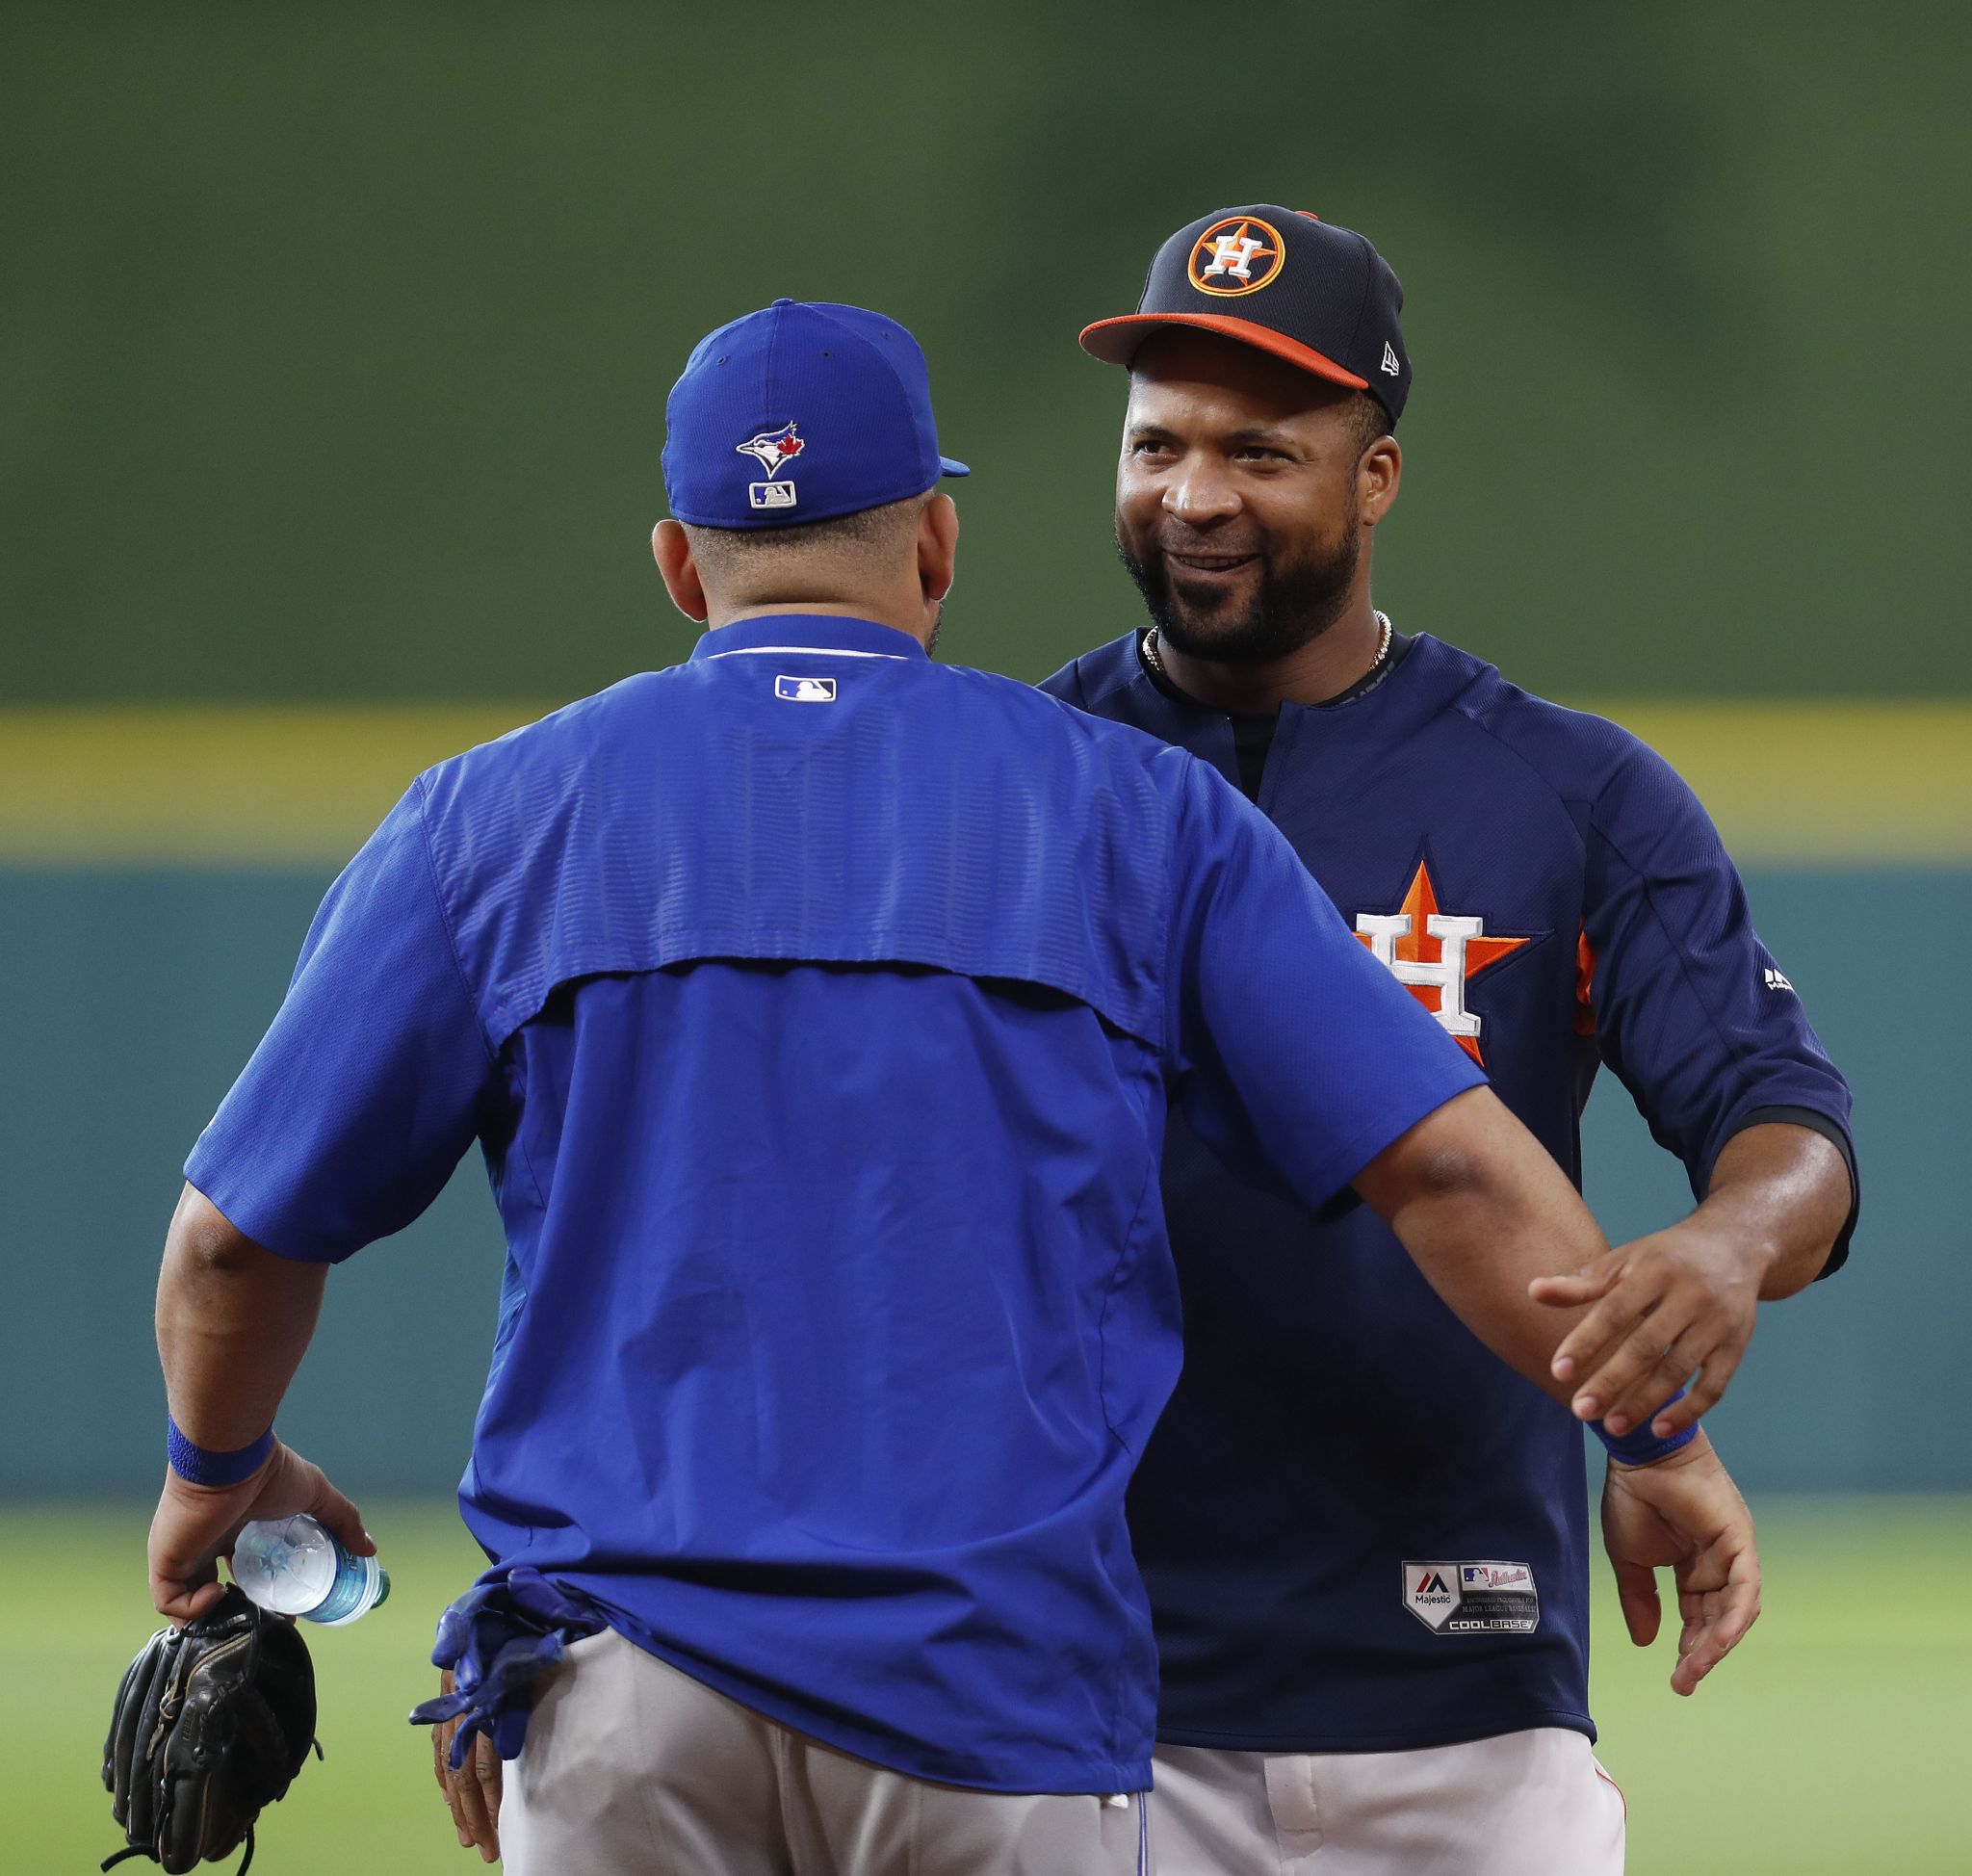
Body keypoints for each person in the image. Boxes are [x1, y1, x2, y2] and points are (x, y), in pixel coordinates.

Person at [148, 299, 1752, 1876]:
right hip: (991, 1693)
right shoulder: (1133, 812)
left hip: (621, 1683)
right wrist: (1658, 1434)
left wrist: (222, 1474)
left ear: (678, 560)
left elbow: (233, 1243)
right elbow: (1455, 1176)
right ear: (933, 543)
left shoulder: (487, 823)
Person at [1044, 206, 1858, 1875]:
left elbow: (1786, 1126)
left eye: (1260, 449)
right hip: (1082, 1698)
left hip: (1466, 1691)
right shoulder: (1015, 778)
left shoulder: (1567, 792)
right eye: (1159, 445)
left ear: (1378, 480)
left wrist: (1722, 1246)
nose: (1195, 495)